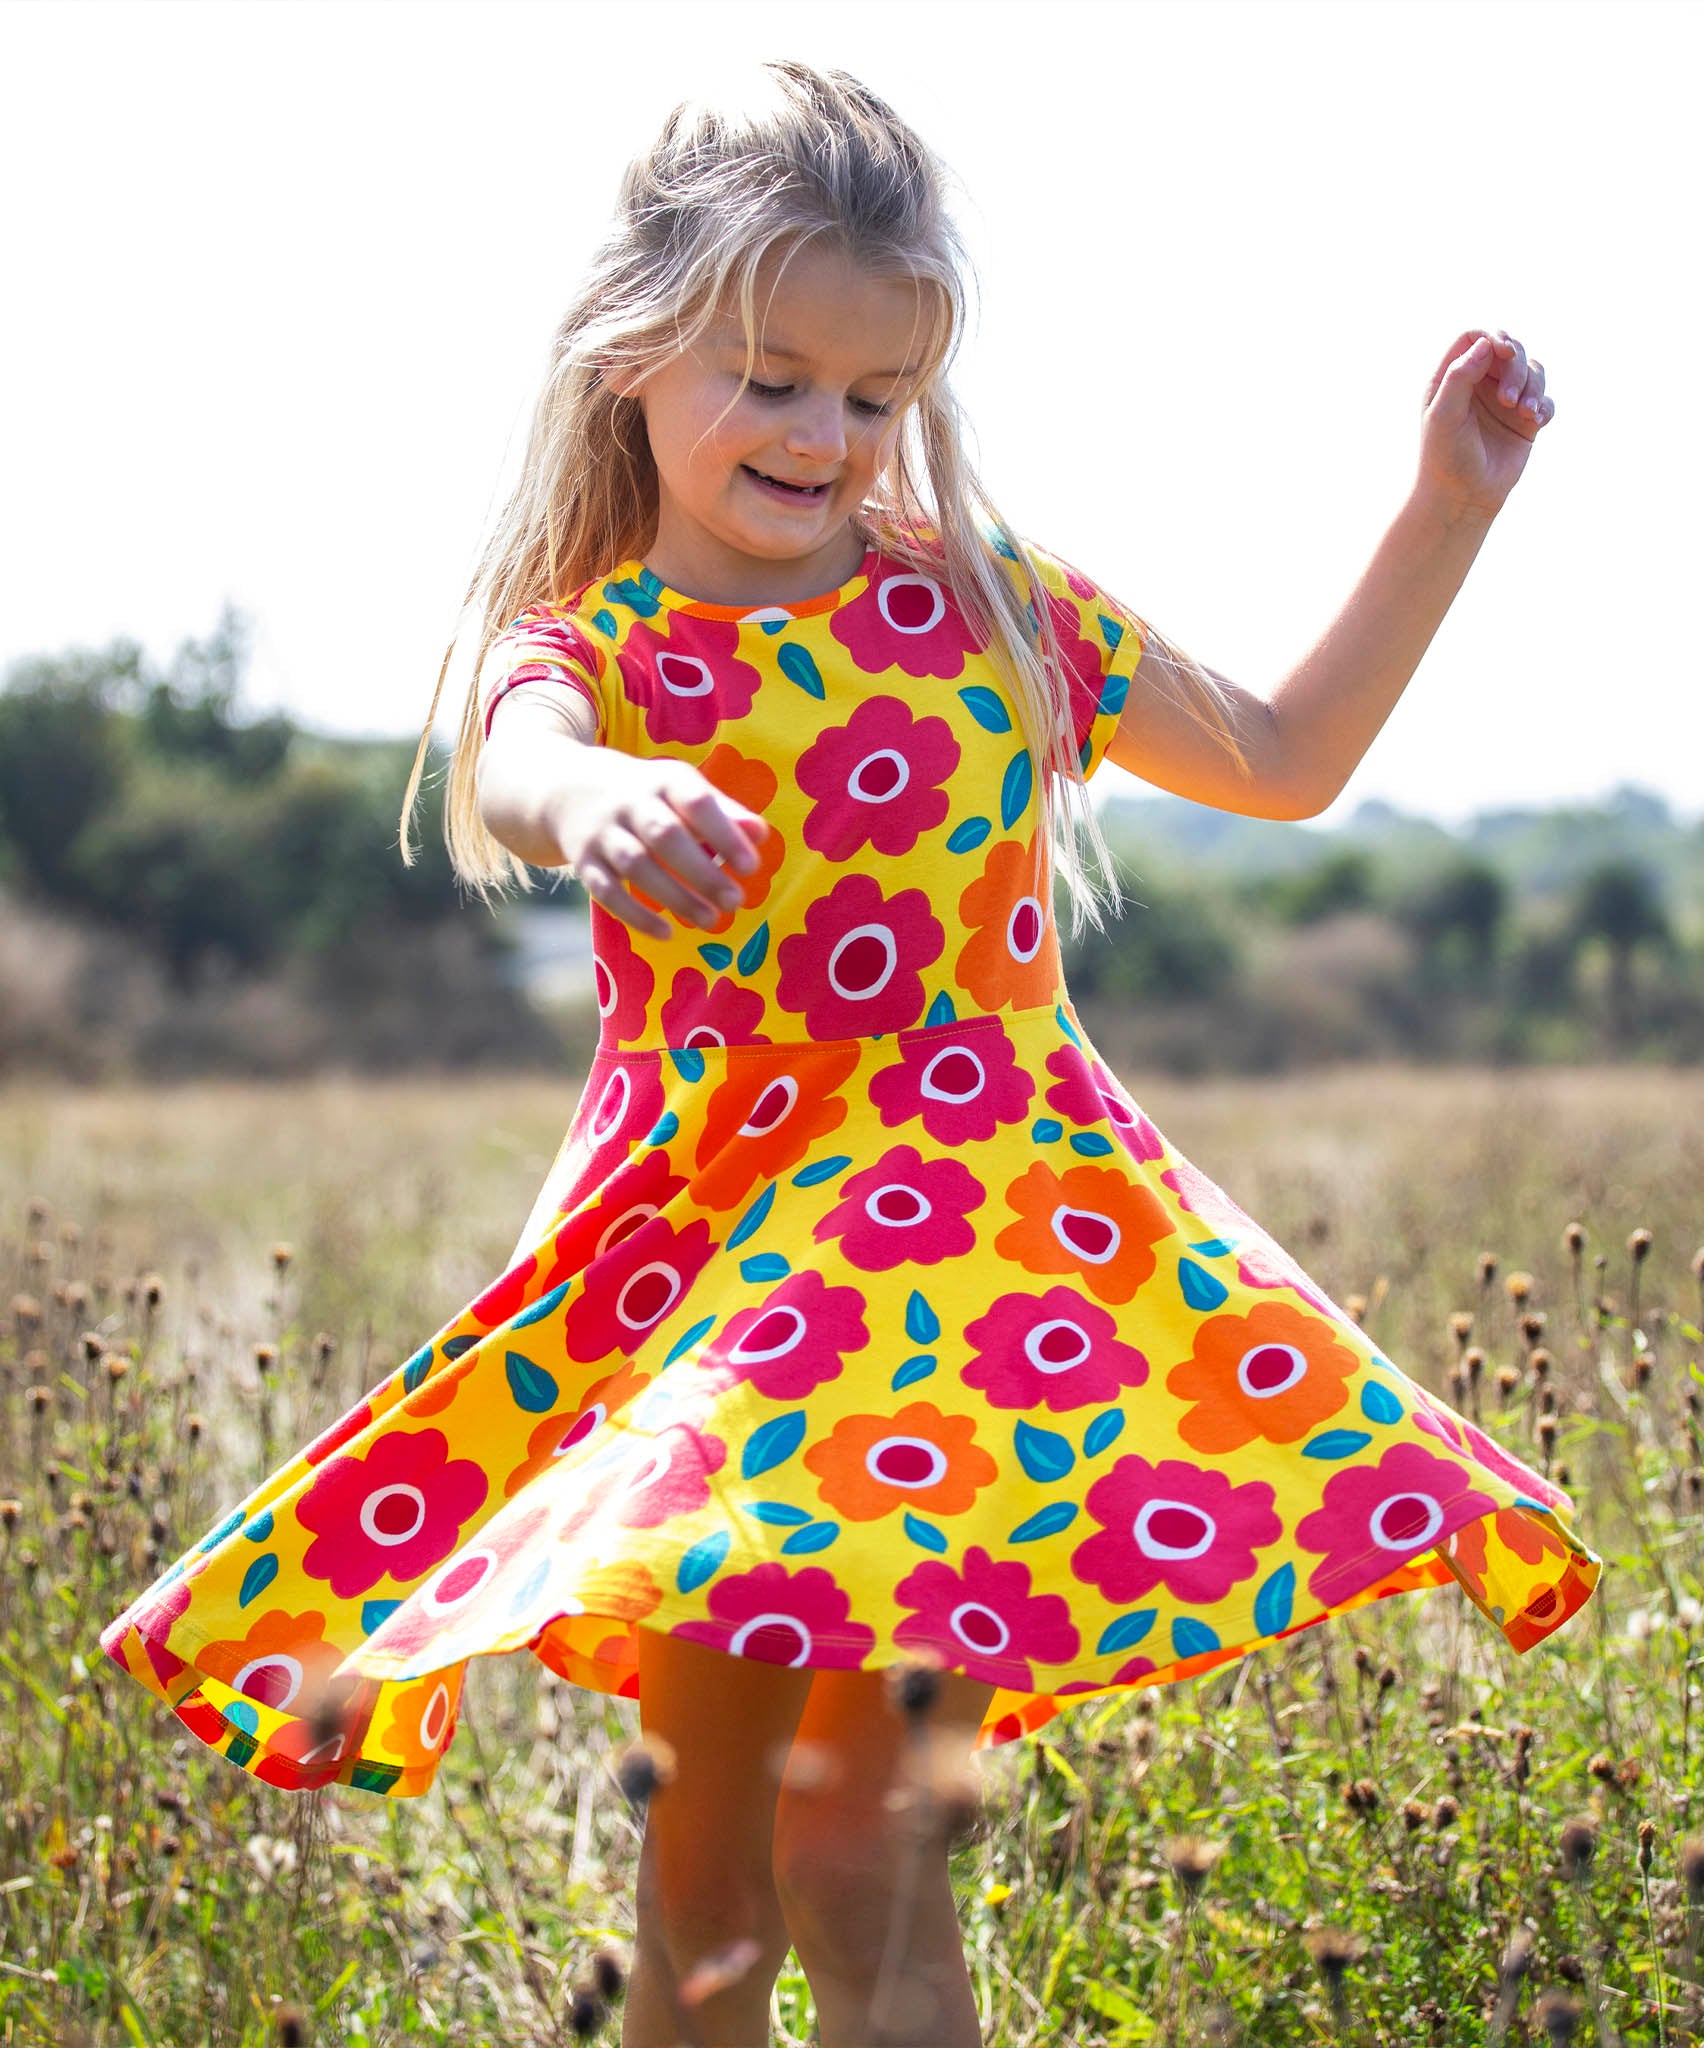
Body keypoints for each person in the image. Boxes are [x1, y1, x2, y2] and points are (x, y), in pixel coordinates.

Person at [103, 59, 1598, 2048]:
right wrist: (602, 798)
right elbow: (519, 758)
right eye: (773, 374)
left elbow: (1291, 760)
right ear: (633, 353)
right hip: (731, 1286)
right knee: (706, 1852)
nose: (826, 431)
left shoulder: (989, 607)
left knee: (864, 1843)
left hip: (986, 1293)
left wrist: (1444, 508)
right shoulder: (594, 648)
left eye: (875, 396)